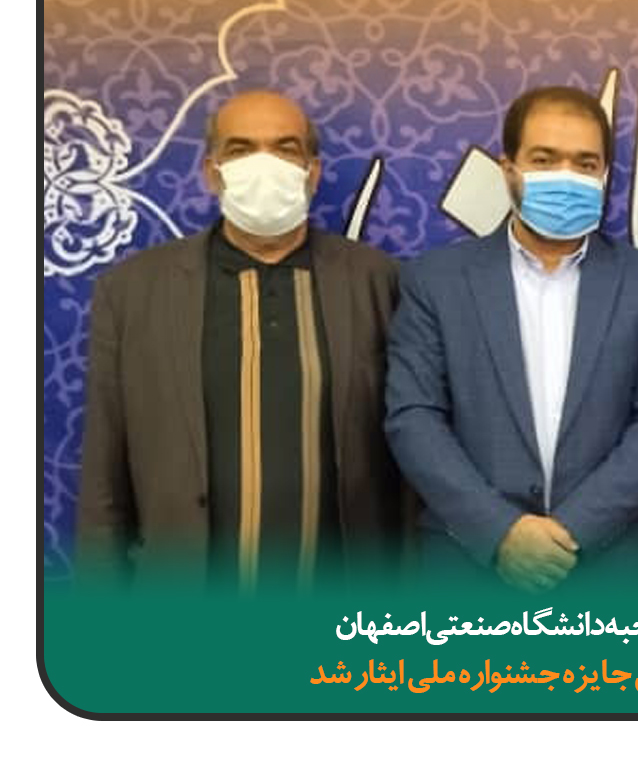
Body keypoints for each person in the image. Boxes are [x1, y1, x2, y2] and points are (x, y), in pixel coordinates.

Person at [77, 90, 404, 588]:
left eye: (285, 148)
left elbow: (411, 451)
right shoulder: (132, 291)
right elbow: (104, 471)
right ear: (212, 173)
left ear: (312, 172)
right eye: (241, 149)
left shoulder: (378, 281)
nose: (264, 165)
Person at [385, 86, 638, 591]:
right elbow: (413, 417)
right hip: (471, 567)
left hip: (609, 569)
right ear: (508, 169)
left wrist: (571, 533)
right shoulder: (436, 280)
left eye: (585, 163)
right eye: (544, 160)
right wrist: (501, 533)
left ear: (604, 176)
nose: (566, 177)